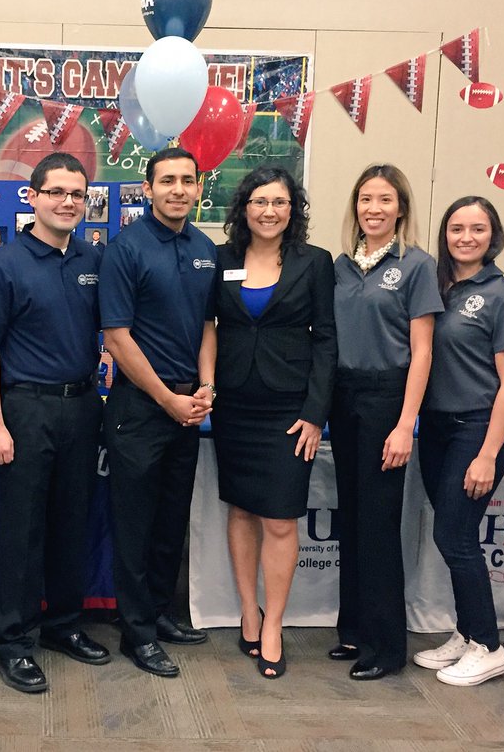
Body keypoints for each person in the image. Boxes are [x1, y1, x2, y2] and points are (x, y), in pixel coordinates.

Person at [0, 152, 109, 694]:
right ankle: (13, 643)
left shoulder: (92, 260)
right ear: (32, 197)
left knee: (72, 524)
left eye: (77, 194)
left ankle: (62, 627)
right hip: (24, 409)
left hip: (81, 407)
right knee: (23, 532)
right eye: (57, 192)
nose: (68, 202)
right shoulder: (5, 263)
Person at [210, 166, 336, 679]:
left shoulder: (315, 262)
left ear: (293, 209)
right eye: (259, 201)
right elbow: (208, 326)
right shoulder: (222, 260)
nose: (269, 211)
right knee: (241, 509)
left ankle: (274, 623)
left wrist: (314, 413)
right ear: (244, 208)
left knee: (281, 518)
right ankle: (247, 610)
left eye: (279, 202)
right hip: (235, 404)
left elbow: (327, 339)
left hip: (289, 410)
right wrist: (208, 387)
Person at [100, 146, 217, 678]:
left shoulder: (205, 247)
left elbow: (209, 326)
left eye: (186, 181)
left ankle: (161, 614)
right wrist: (167, 400)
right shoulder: (126, 247)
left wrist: (205, 388)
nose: (177, 189)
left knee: (172, 518)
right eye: (166, 180)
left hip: (189, 405)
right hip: (140, 406)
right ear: (146, 189)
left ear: (198, 189)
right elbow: (118, 337)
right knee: (136, 523)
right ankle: (137, 633)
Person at [327, 163, 442, 681]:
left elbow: (422, 352)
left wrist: (405, 423)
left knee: (376, 526)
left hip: (386, 400)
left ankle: (387, 646)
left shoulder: (416, 265)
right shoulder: (340, 266)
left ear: (401, 208)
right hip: (344, 398)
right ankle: (353, 630)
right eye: (365, 199)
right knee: (350, 519)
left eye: (385, 200)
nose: (374, 208)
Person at [411, 196, 504, 686]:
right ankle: (467, 632)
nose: (466, 238)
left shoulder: (502, 295)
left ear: (492, 235)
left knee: (454, 536)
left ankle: (489, 646)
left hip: (477, 428)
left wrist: (487, 453)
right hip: (436, 427)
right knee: (453, 532)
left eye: (477, 229)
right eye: (457, 228)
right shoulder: (436, 286)